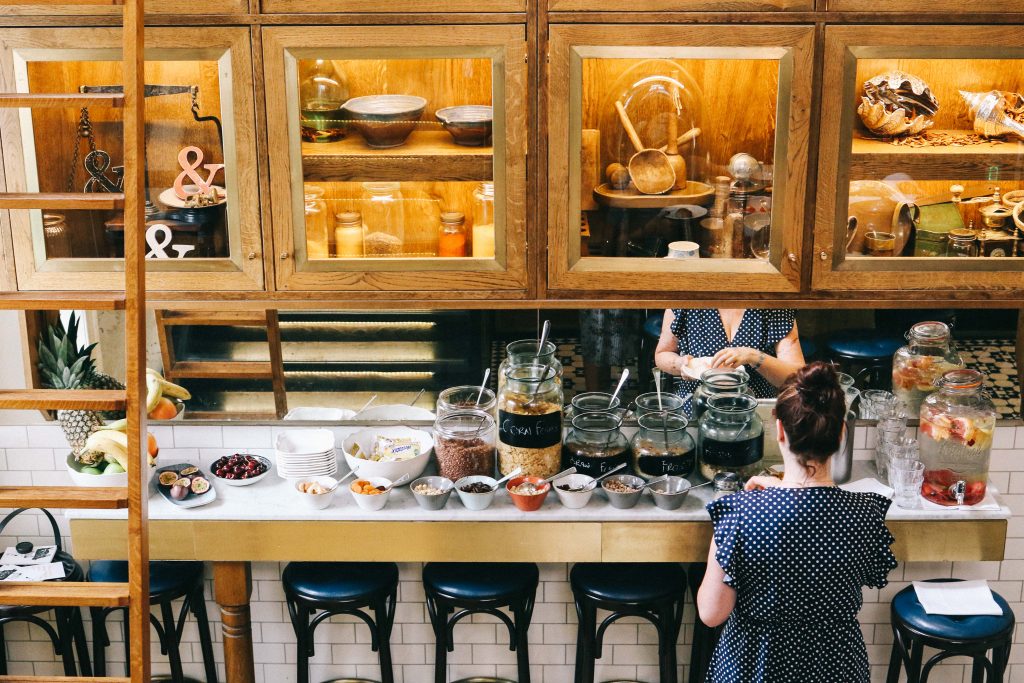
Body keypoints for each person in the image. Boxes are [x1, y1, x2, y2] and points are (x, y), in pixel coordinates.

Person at [696, 362, 897, 682]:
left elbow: (711, 613)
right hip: (834, 670)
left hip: (755, 667)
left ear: (779, 432)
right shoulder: (866, 514)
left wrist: (729, 522)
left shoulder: (741, 514)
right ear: (842, 434)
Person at [653, 308, 804, 415]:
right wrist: (680, 364)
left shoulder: (773, 307)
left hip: (753, 413)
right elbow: (662, 353)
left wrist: (753, 356)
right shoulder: (689, 301)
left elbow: (797, 378)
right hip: (696, 410)